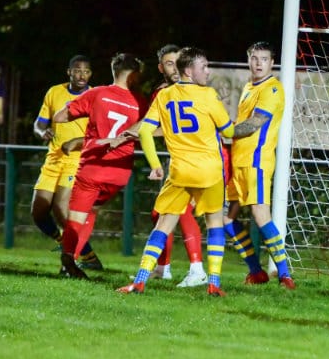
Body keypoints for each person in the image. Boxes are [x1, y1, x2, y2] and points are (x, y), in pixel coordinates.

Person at [118, 47, 235, 296]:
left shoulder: (164, 95)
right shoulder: (208, 95)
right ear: (189, 71)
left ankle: (140, 281)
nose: (208, 71)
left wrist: (155, 164)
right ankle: (213, 282)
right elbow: (228, 131)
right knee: (214, 223)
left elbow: (145, 131)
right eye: (203, 66)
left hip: (180, 171)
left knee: (163, 225)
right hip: (209, 171)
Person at [52, 53, 148, 278]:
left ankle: (68, 259)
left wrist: (69, 106)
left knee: (76, 218)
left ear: (115, 71)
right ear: (134, 75)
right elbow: (149, 130)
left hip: (93, 166)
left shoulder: (97, 93)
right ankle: (73, 259)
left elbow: (59, 117)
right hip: (119, 171)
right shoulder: (141, 103)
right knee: (92, 210)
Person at [223, 41, 295, 289]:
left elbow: (255, 123)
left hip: (257, 161)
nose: (258, 63)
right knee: (225, 219)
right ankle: (256, 272)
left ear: (272, 63)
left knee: (260, 214)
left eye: (264, 59)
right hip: (238, 162)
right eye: (254, 58)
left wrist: (226, 129)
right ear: (248, 60)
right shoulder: (248, 86)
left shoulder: (272, 89)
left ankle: (285, 275)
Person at [31, 55, 102, 270]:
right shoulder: (55, 92)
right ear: (69, 72)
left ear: (90, 74)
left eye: (86, 71)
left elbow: (102, 134)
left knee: (61, 209)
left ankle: (87, 257)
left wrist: (77, 142)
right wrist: (42, 132)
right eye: (77, 70)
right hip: (53, 159)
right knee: (38, 211)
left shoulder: (96, 96)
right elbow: (39, 124)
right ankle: (66, 244)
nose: (82, 75)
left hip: (77, 160)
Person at [146, 44, 207, 287]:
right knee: (161, 213)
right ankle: (164, 268)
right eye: (169, 64)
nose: (174, 68)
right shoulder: (163, 93)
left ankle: (198, 270)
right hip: (181, 160)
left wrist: (131, 133)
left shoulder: (196, 91)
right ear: (161, 68)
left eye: (177, 63)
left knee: (184, 212)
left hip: (201, 160)